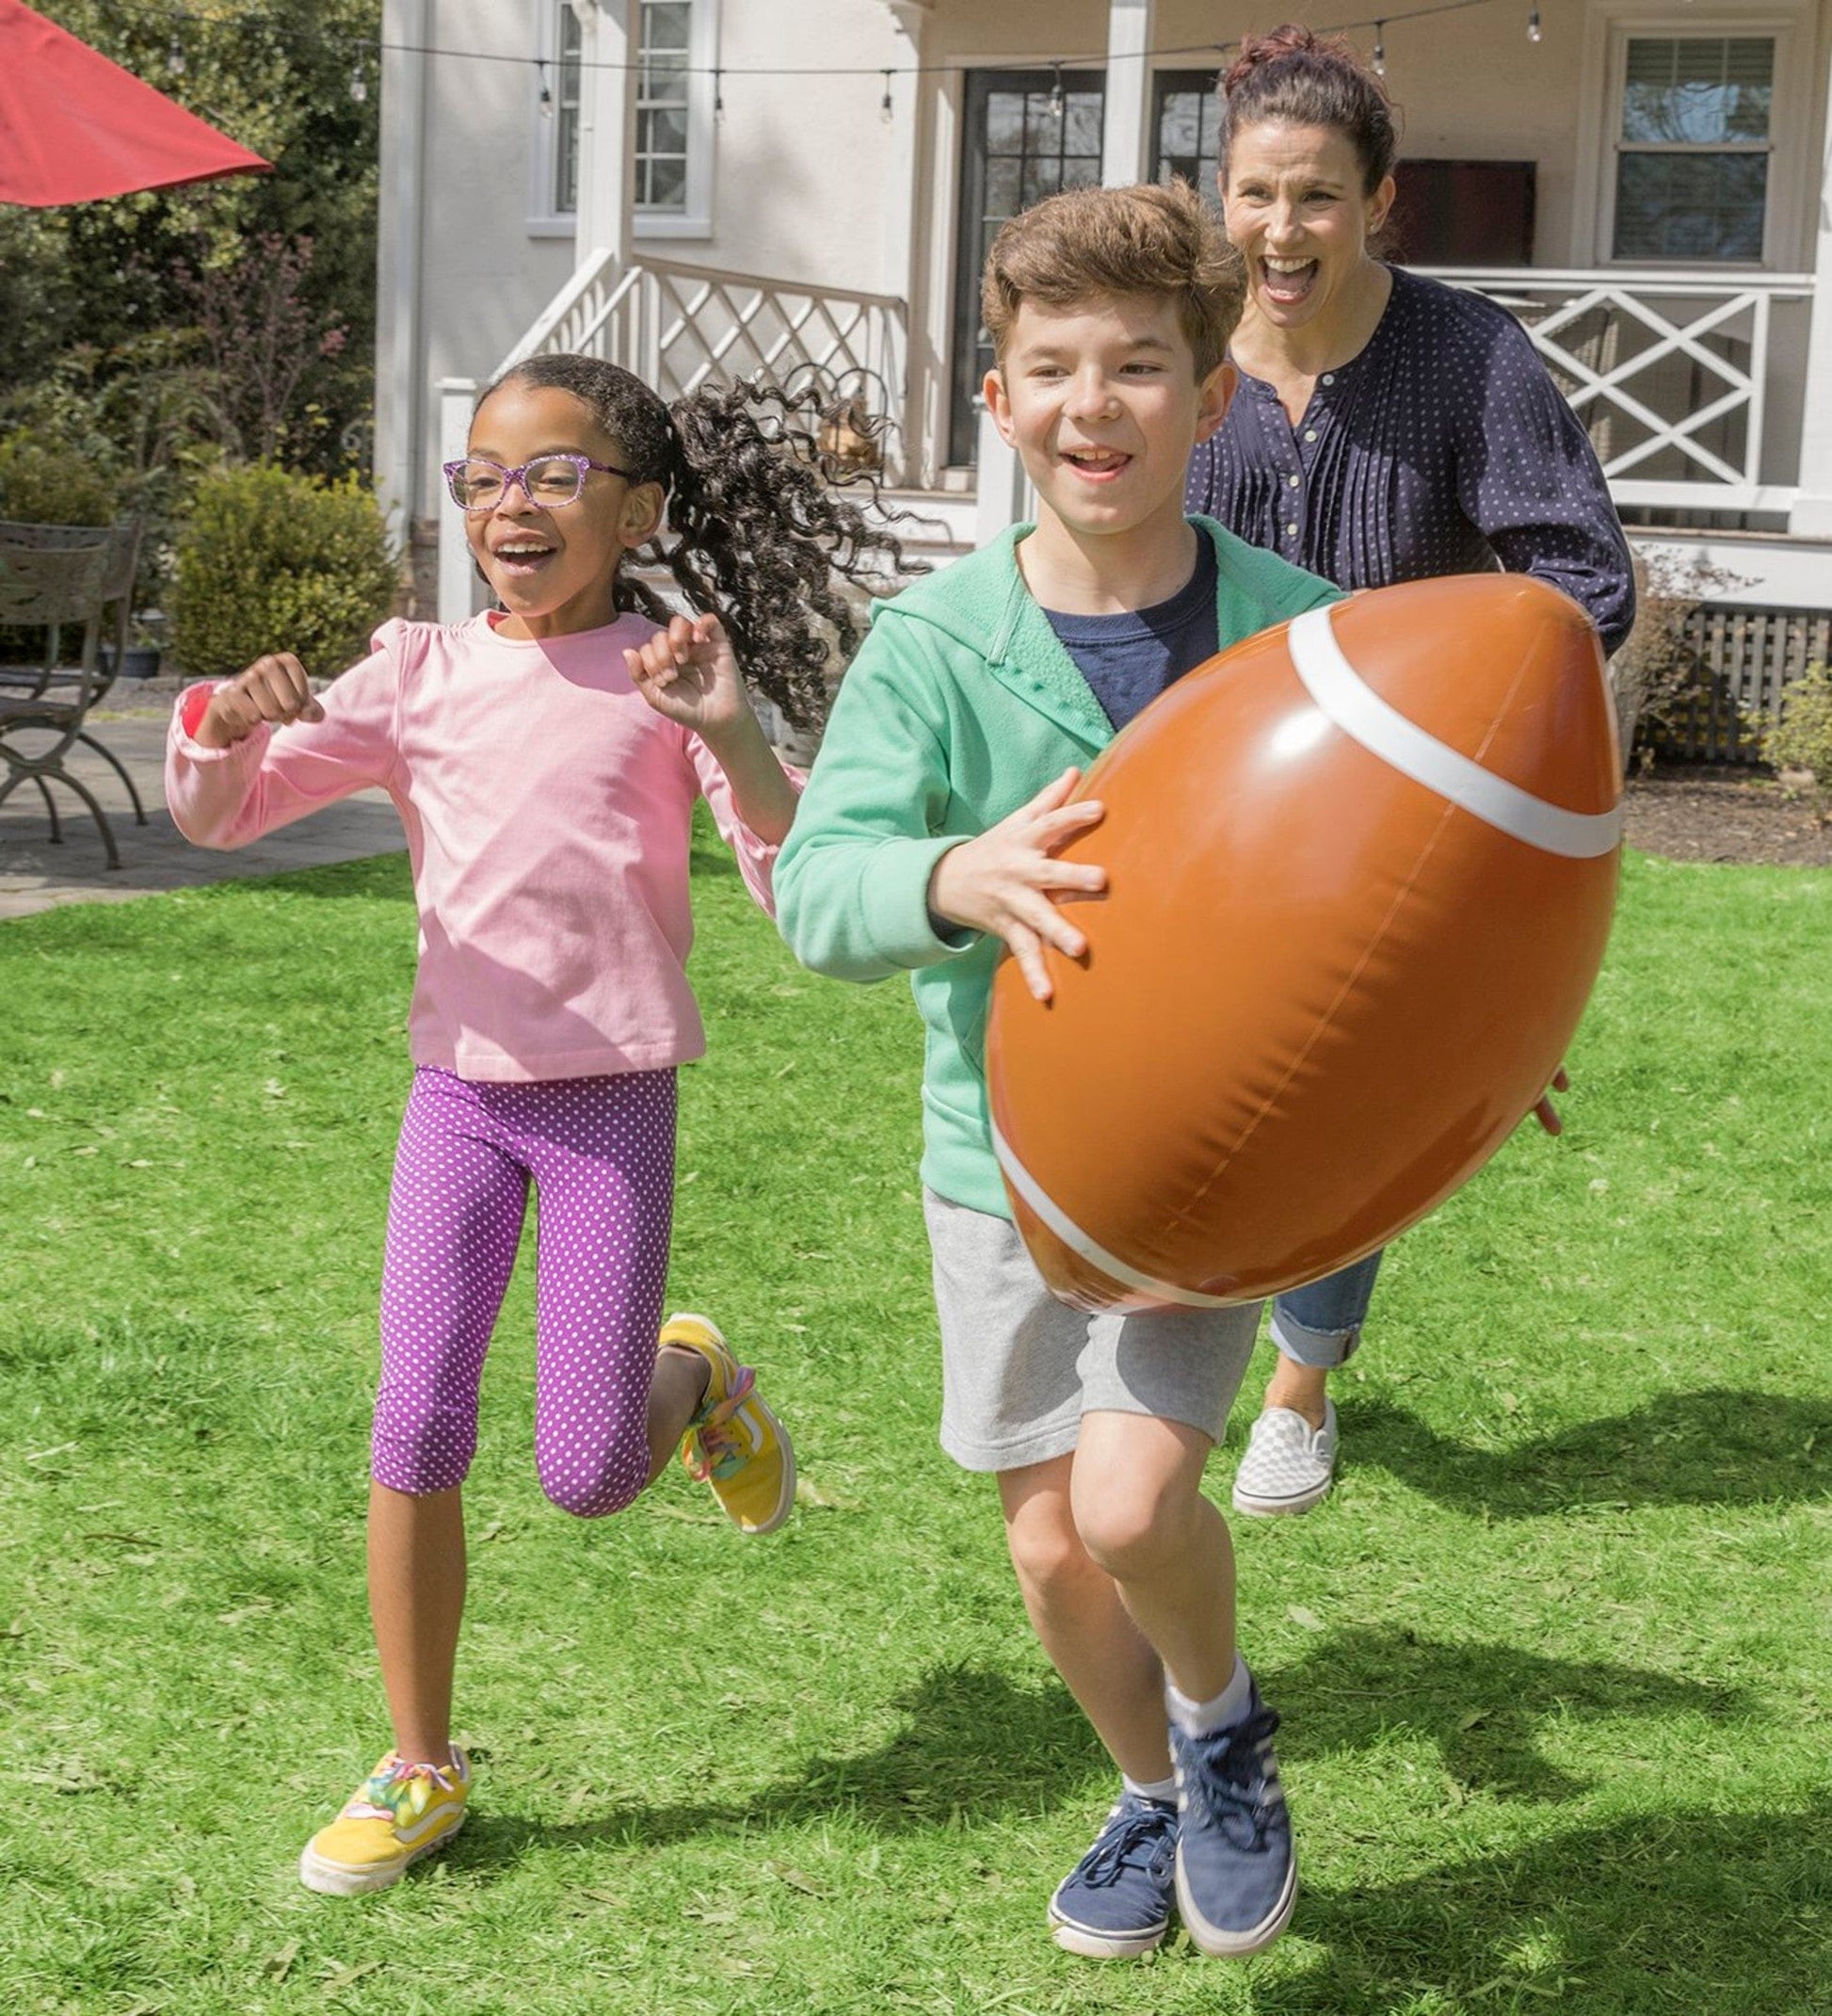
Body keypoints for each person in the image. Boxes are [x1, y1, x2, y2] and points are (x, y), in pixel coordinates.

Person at [165, 353, 910, 1897]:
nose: (512, 502)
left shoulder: (666, 675)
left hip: (610, 1106)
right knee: (416, 1419)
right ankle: (419, 1760)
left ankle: (693, 1373)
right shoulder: (416, 672)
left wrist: (741, 736)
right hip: (457, 1101)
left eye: (553, 474)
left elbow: (790, 872)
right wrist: (227, 723)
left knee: (582, 1471)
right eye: (485, 475)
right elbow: (223, 811)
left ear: (633, 509)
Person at [778, 181, 1342, 1962]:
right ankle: (1157, 1787)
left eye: (1138, 366)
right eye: (1051, 368)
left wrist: (1480, 1047)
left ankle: (1222, 1722)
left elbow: (1401, 885)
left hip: (1213, 1168)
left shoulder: (1300, 633)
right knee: (1045, 1549)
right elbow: (815, 890)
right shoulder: (931, 648)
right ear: (999, 401)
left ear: (1212, 396)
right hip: (999, 1166)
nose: (1093, 403)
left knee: (1131, 1500)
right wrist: (950, 876)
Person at [1186, 24, 1636, 1521]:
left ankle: (1297, 1385)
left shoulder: (1464, 355)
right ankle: (1181, 1335)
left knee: (1355, 1083)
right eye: (1254, 195)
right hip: (1214, 790)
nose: (1279, 230)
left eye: (1314, 197)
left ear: (1376, 202)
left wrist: (1454, 694)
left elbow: (1578, 573)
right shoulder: (1186, 361)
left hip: (1406, 800)